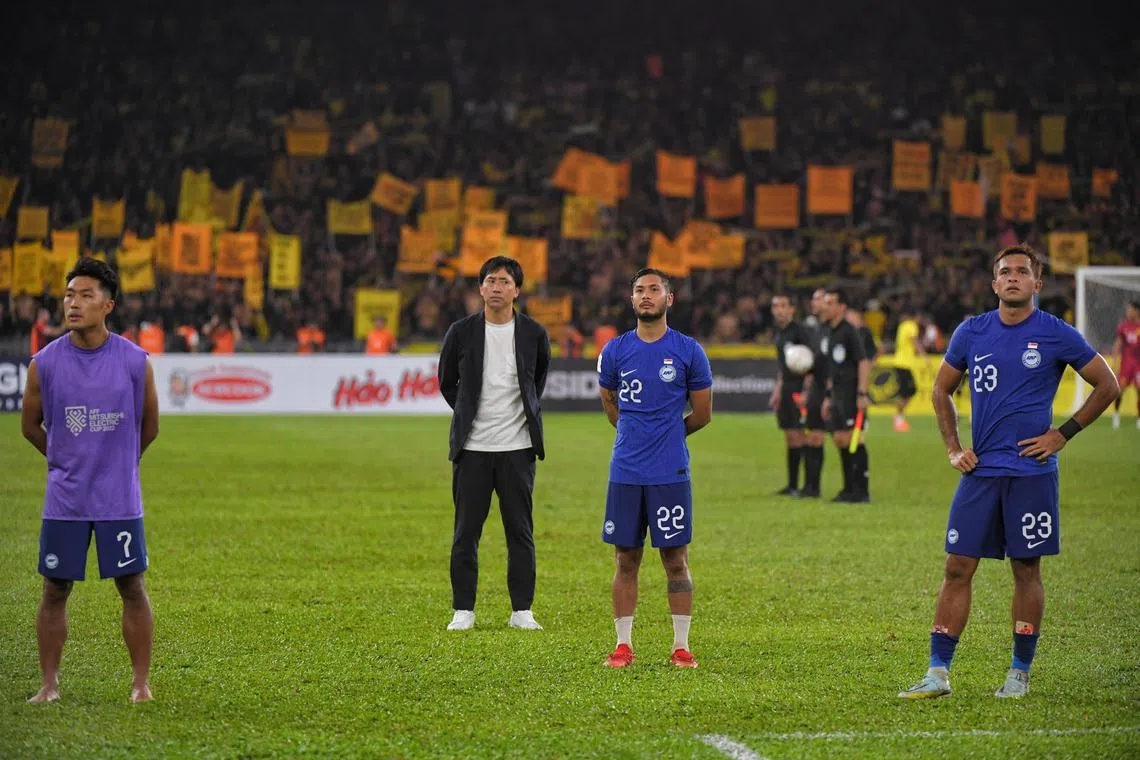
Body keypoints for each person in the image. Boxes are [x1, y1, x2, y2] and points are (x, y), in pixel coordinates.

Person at [899, 245, 1119, 700]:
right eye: (1005, 272)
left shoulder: (1057, 333)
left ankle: (1018, 674)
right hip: (980, 473)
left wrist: (1064, 433)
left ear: (1037, 284)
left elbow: (1108, 385)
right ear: (994, 283)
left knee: (1026, 568)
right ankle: (937, 673)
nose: (1013, 277)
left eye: (1023, 272)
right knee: (957, 567)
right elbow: (942, 391)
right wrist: (954, 448)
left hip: (1032, 474)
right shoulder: (972, 331)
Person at [20, 257, 160, 704]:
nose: (73, 303)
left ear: (108, 305)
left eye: (85, 295)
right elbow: (30, 426)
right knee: (54, 588)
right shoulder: (44, 364)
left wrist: (120, 461)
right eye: (68, 295)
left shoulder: (135, 361)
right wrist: (65, 461)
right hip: (67, 500)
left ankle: (141, 684)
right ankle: (49, 685)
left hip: (119, 497)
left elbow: (150, 424)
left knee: (132, 586)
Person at [597, 268, 713, 668]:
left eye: (654, 289)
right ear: (631, 300)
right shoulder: (614, 351)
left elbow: (702, 414)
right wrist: (636, 433)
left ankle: (681, 646)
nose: (645, 296)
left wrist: (666, 437)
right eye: (638, 290)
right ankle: (623, 645)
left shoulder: (688, 350)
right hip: (626, 471)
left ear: (669, 298)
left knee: (675, 559)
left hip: (670, 472)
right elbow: (610, 404)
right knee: (625, 558)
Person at [437, 256, 551, 632]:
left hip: (517, 449)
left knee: (520, 531)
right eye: (491, 280)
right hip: (473, 449)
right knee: (466, 531)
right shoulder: (461, 331)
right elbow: (447, 382)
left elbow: (538, 380)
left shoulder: (534, 333)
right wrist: (470, 413)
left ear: (517, 290)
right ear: (480, 288)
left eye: (505, 281)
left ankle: (522, 611)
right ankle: (463, 610)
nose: (497, 287)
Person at [819, 288, 871, 503]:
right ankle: (848, 488)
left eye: (830, 303)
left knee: (854, 439)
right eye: (825, 302)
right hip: (838, 394)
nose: (825, 307)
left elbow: (864, 361)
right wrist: (828, 396)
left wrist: (862, 392)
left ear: (841, 308)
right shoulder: (830, 331)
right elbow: (833, 368)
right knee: (840, 439)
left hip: (851, 393)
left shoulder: (849, 331)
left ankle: (861, 490)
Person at [769, 294, 814, 496]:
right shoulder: (780, 333)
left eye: (783, 305)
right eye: (775, 306)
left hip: (798, 388)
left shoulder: (799, 332)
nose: (779, 309)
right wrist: (778, 390)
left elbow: (811, 362)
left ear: (791, 309)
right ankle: (793, 485)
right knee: (789, 434)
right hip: (786, 387)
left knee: (800, 434)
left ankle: (809, 484)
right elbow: (782, 366)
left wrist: (806, 390)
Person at [796, 288, 828, 498]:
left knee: (843, 439)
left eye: (819, 299)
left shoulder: (833, 330)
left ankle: (855, 488)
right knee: (812, 436)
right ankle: (810, 487)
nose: (814, 303)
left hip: (831, 389)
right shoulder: (816, 329)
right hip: (817, 388)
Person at [890, 310, 925, 432]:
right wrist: (924, 356)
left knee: (908, 391)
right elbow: (915, 341)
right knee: (909, 391)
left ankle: (899, 416)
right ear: (917, 316)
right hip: (904, 364)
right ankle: (898, 417)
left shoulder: (902, 325)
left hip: (899, 362)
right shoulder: (911, 326)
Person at [1111, 300, 1140, 429]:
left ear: (1137, 311)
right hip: (1126, 364)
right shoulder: (1124, 326)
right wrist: (1115, 359)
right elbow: (1118, 343)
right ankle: (1116, 415)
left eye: (1130, 310)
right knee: (1120, 390)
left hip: (1138, 365)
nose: (1128, 312)